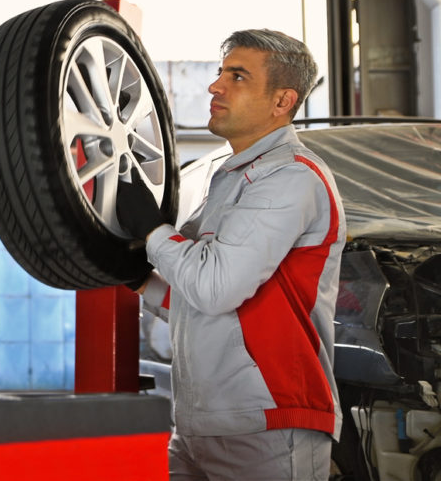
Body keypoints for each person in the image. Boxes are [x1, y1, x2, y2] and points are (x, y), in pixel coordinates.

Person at [115, 29, 345, 480]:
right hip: (200, 422)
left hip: (269, 424)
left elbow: (216, 288)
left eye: (237, 76)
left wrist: (153, 231)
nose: (214, 86)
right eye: (221, 73)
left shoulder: (291, 178)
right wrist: (140, 279)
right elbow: (200, 304)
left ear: (282, 101)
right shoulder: (229, 179)